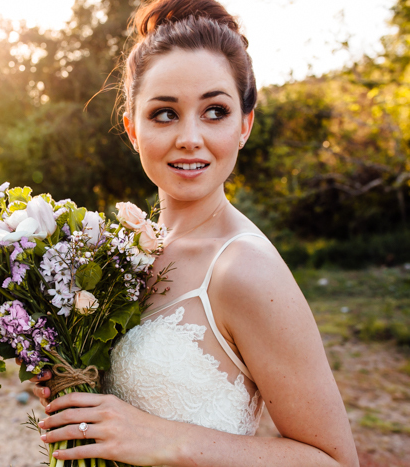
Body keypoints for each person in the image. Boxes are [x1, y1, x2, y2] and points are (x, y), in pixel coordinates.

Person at [27, 0, 359, 465]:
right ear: (132, 129)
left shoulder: (246, 270)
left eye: (215, 111)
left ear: (245, 124)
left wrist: (167, 440)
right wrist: (73, 385)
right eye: (164, 113)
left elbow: (335, 461)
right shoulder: (120, 255)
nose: (189, 137)